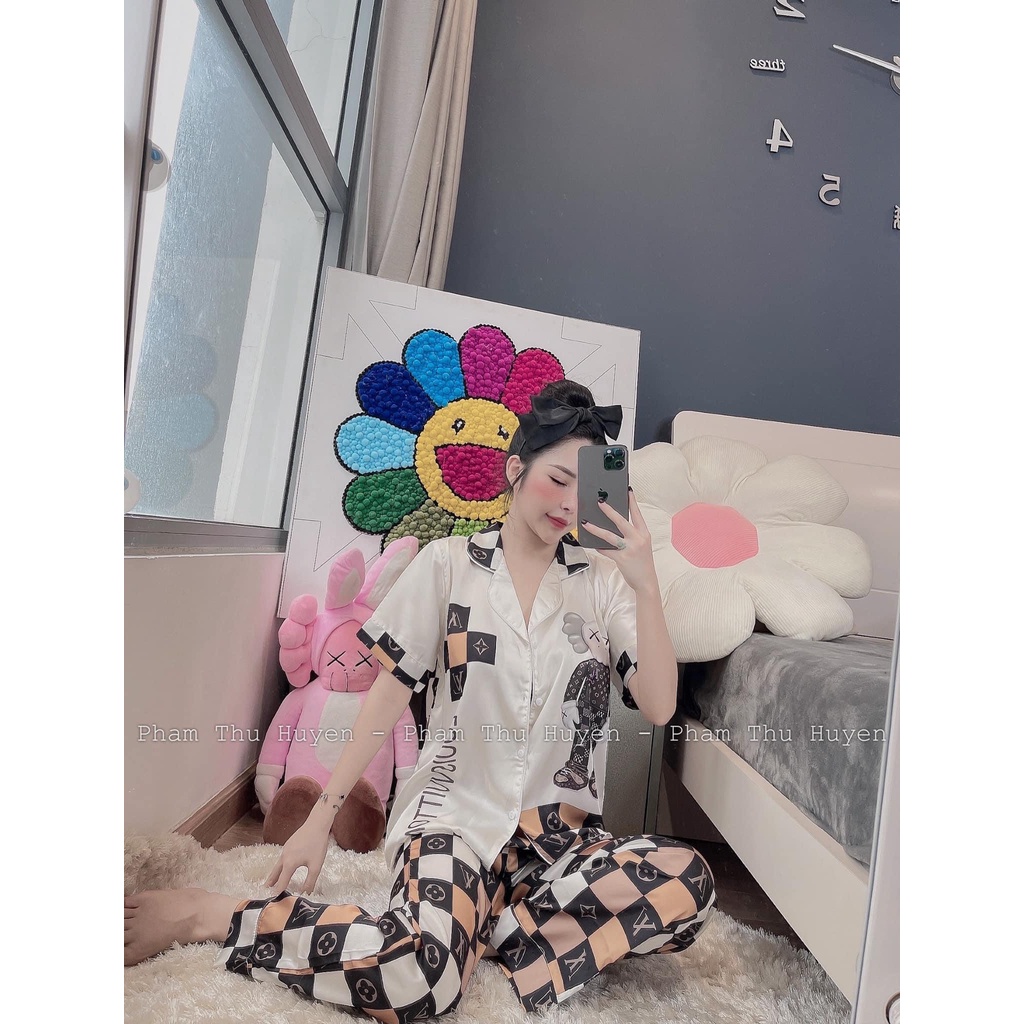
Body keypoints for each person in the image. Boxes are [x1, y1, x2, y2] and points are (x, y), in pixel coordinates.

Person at [125, 380, 717, 1020]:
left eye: (587, 486)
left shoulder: (602, 583)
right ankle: (218, 916)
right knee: (420, 982)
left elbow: (658, 706)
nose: (571, 503)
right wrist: (321, 818)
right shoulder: (447, 564)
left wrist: (645, 582)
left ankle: (477, 929)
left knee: (689, 881)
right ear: (515, 471)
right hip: (454, 821)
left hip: (559, 846)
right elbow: (386, 700)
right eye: (556, 479)